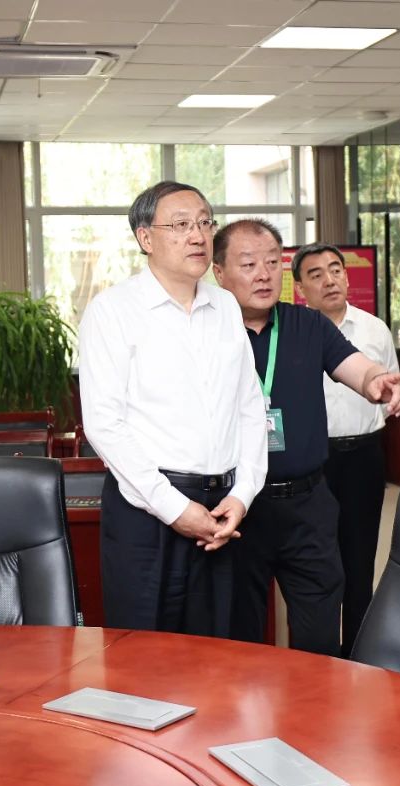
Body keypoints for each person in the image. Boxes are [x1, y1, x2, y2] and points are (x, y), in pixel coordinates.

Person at [77, 182, 267, 638]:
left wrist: (243, 494)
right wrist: (175, 508)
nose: (198, 236)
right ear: (145, 238)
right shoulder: (112, 311)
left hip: (221, 512)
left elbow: (249, 407)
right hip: (148, 512)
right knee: (144, 656)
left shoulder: (225, 305)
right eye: (181, 225)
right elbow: (105, 424)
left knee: (220, 652)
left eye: (204, 223)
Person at [212, 219, 400, 656]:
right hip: (237, 507)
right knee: (240, 638)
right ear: (219, 272)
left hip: (308, 505)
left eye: (271, 263)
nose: (264, 275)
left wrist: (377, 380)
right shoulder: (206, 331)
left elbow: (356, 367)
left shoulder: (307, 324)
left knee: (318, 636)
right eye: (249, 264)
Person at [292, 242, 400, 658]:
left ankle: (357, 653)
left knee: (360, 557)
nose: (329, 280)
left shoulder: (375, 330)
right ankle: (314, 656)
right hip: (312, 461)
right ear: (300, 287)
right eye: (316, 274)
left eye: (335, 269)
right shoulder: (293, 331)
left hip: (363, 457)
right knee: (313, 563)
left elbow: (386, 392)